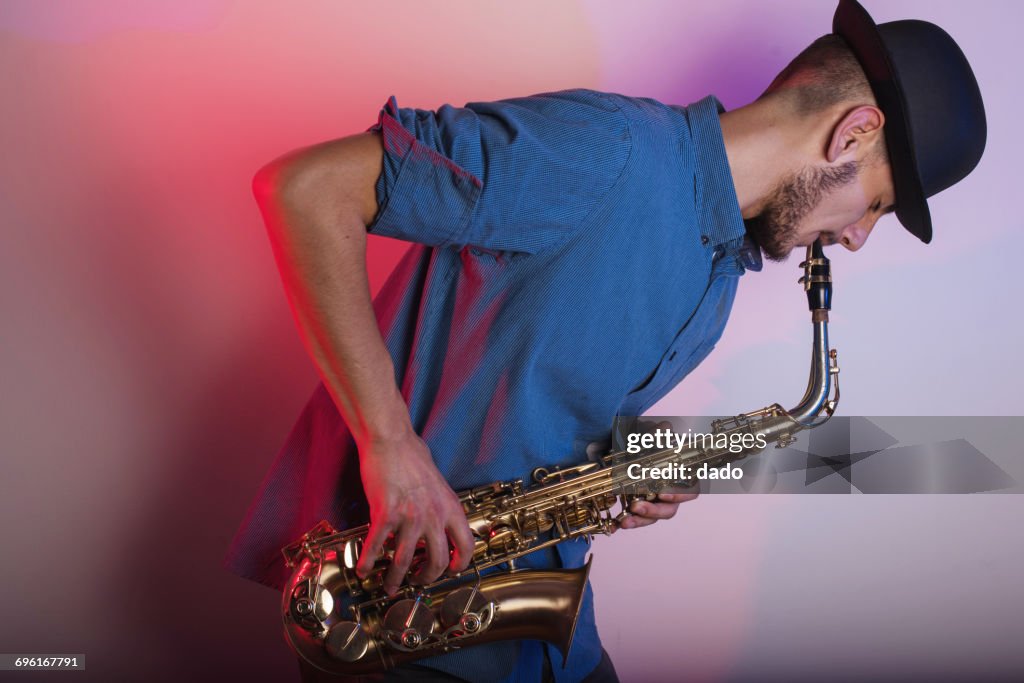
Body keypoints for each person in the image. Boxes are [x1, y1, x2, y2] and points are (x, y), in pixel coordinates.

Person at [223, 1, 985, 681]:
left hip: (538, 626)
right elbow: (306, 190)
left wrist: (633, 461)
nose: (856, 237)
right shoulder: (602, 149)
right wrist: (390, 442)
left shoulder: (723, 268)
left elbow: (544, 387)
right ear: (853, 132)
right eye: (876, 204)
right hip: (398, 611)